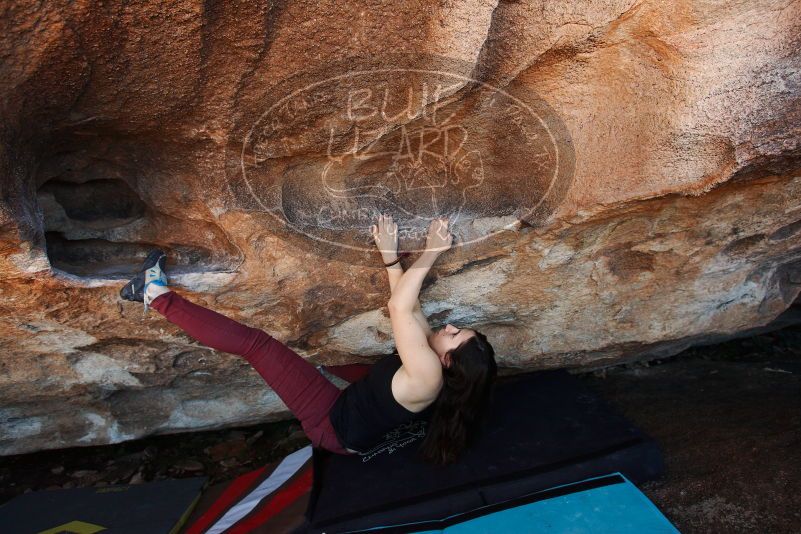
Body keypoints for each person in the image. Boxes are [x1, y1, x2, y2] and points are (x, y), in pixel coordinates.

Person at [120, 215, 497, 464]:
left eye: (454, 335)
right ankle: (317, 366)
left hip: (331, 425)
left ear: (448, 361)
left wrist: (433, 251)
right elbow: (409, 308)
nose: (448, 327)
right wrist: (390, 259)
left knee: (258, 346)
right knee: (317, 356)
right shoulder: (433, 363)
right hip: (357, 399)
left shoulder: (429, 375)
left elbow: (400, 309)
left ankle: (153, 294)